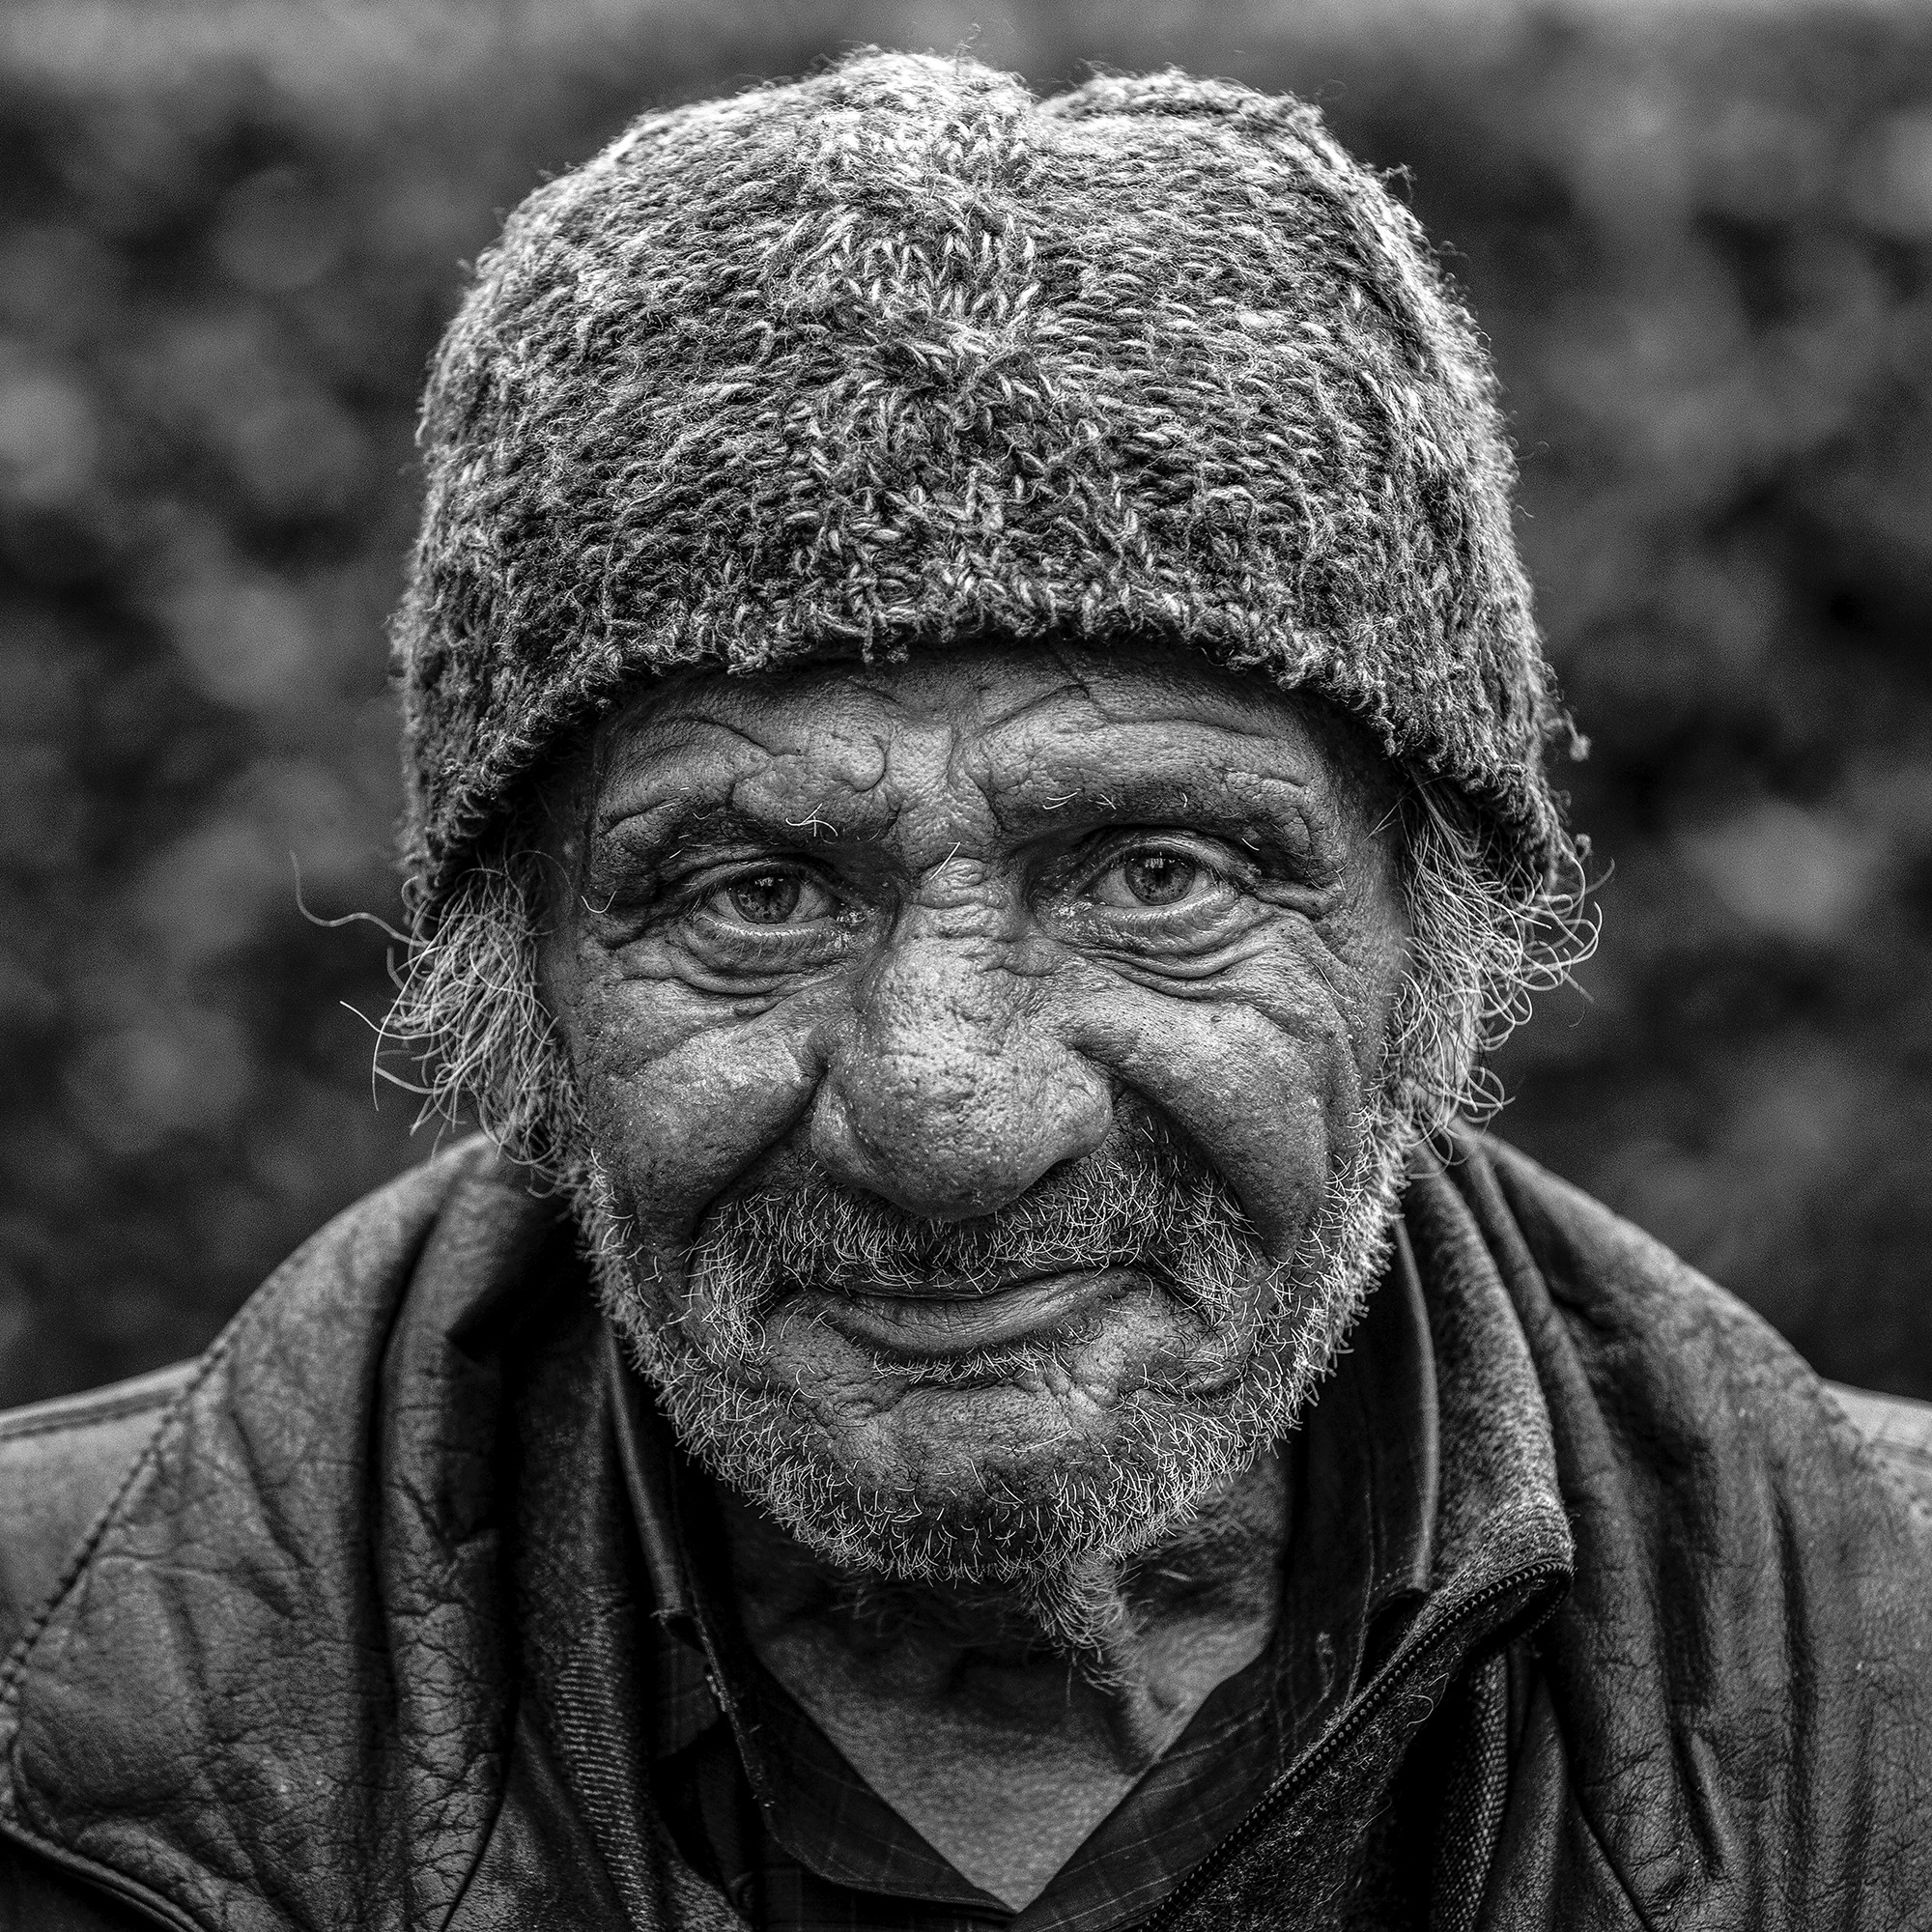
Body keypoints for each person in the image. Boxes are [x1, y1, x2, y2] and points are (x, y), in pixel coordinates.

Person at [2, 52, 1928, 1932]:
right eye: (752, 892)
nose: (948, 1115)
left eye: (1156, 874)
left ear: (1438, 945)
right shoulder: (52, 1720)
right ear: (521, 1003)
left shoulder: (1885, 1689)